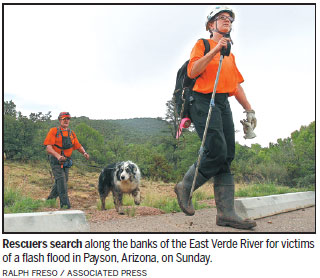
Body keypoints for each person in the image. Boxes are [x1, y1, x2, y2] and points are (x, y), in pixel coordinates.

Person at [174, 6, 257, 229]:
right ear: (211, 25)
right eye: (221, 17)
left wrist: (249, 110)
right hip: (201, 100)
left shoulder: (230, 54)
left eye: (229, 18)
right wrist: (214, 50)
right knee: (216, 149)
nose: (227, 20)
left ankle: (226, 214)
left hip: (222, 102)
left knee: (227, 154)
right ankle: (185, 186)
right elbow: (193, 71)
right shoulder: (203, 44)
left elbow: (235, 84)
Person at [44, 112, 90, 209]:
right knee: (61, 182)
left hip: (66, 161)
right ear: (60, 120)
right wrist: (58, 156)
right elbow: (48, 148)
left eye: (68, 119)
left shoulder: (71, 133)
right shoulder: (53, 131)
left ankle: (49, 201)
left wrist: (84, 153)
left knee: (62, 181)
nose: (66, 120)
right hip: (56, 160)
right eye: (64, 118)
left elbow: (78, 145)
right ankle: (65, 206)